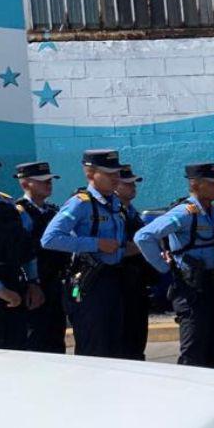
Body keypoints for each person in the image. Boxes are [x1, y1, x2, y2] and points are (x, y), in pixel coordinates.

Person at [134, 163, 214, 368]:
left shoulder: (211, 211)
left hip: (209, 285)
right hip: (190, 288)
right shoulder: (185, 213)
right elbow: (143, 236)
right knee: (193, 348)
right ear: (197, 185)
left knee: (212, 345)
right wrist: (163, 267)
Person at [41, 149, 127, 358]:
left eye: (117, 172)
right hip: (90, 283)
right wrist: (96, 244)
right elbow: (50, 239)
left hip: (114, 278)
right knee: (94, 347)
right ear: (90, 174)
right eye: (109, 173)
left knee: (116, 345)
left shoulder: (115, 203)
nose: (115, 178)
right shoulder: (81, 203)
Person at [15, 162, 65, 353]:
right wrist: (31, 283)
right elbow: (21, 252)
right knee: (37, 340)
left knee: (56, 338)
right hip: (34, 285)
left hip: (55, 283)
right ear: (25, 184)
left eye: (50, 180)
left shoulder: (53, 212)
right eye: (43, 181)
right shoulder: (18, 212)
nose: (48, 184)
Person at [0, 161, 40, 350]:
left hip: (13, 282)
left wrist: (33, 282)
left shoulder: (6, 204)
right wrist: (0, 290)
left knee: (17, 350)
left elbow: (25, 247)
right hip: (3, 289)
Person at [114, 164, 151, 361]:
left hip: (136, 280)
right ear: (115, 185)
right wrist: (144, 246)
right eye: (127, 184)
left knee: (137, 336)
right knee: (124, 338)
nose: (133, 187)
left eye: (133, 183)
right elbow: (119, 247)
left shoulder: (131, 211)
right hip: (120, 281)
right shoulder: (114, 212)